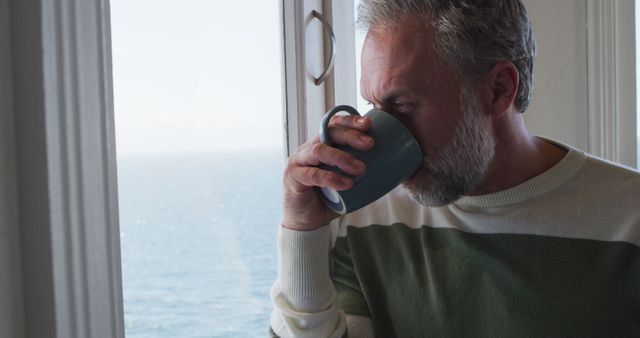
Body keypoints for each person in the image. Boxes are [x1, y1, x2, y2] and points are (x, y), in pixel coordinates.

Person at [270, 0, 640, 337]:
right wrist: (302, 232)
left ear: (498, 90)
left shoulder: (628, 218)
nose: (377, 131)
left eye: (402, 105)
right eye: (372, 105)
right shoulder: (364, 219)